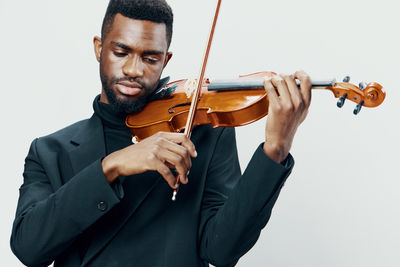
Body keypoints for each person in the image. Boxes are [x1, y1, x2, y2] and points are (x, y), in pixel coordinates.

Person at [10, 0, 311, 266]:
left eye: (150, 58)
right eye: (121, 52)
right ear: (99, 48)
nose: (133, 69)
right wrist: (112, 166)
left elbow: (221, 250)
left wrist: (276, 150)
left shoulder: (204, 135)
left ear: (165, 60)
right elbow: (28, 248)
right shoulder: (50, 151)